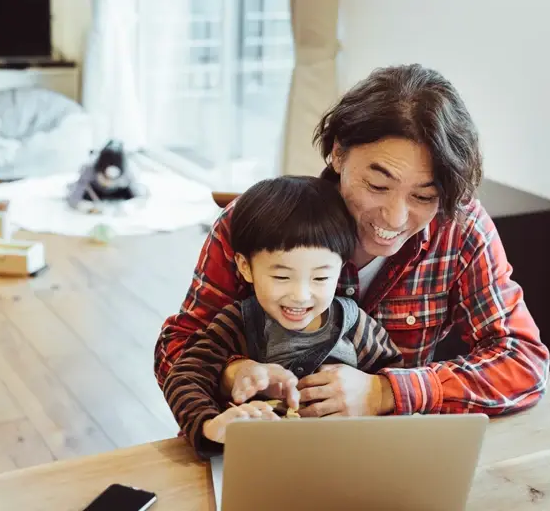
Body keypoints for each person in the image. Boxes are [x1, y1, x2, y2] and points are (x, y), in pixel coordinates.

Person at [155, 63, 550, 425]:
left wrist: (386, 392)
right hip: (258, 449)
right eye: (378, 186)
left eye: (423, 197)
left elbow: (523, 361)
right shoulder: (259, 223)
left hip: (386, 453)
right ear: (338, 153)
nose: (394, 219)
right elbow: (176, 349)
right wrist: (233, 373)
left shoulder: (459, 228)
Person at [164, 176, 404, 458]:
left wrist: (374, 400)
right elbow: (184, 376)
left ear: (341, 269)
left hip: (344, 462)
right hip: (255, 461)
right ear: (245, 267)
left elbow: (393, 379)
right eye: (281, 276)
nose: (301, 295)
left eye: (321, 277)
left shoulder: (356, 325)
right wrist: (210, 426)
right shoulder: (236, 324)